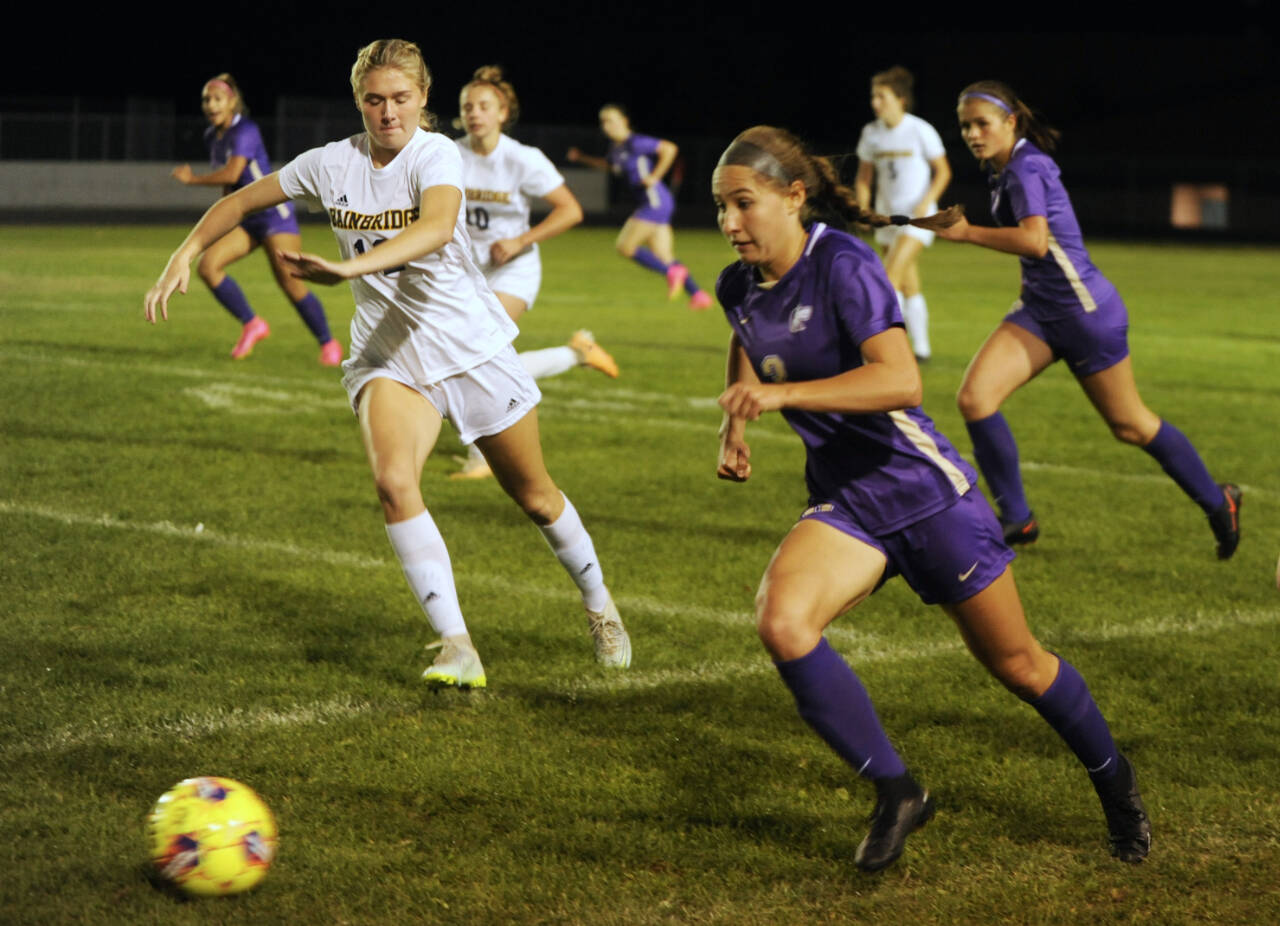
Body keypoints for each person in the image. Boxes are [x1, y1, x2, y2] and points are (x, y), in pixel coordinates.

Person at [712, 125, 1150, 872]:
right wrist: (734, 426)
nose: (728, 223)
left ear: (794, 196)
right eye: (720, 207)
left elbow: (899, 381)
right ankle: (897, 791)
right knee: (783, 623)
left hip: (924, 494)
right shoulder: (737, 284)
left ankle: (1117, 787)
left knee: (1019, 666)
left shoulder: (844, 264)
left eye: (743, 204)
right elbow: (748, 338)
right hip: (848, 504)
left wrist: (780, 395)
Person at [145, 39, 632, 683]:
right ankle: (458, 645)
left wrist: (349, 265)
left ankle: (600, 607)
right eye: (374, 100)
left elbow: (432, 229)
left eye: (401, 98)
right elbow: (238, 200)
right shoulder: (329, 163)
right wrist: (185, 251)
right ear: (359, 101)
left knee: (538, 498)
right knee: (394, 481)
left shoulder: (437, 154)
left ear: (424, 98)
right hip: (389, 357)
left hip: (472, 350)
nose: (388, 112)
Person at [935, 81, 1240, 557]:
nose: (973, 134)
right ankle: (1018, 519)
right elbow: (1041, 249)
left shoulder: (1024, 167)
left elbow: (1036, 241)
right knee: (976, 399)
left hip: (1085, 314)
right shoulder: (1009, 168)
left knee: (1131, 425)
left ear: (1010, 122)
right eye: (965, 127)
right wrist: (1026, 286)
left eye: (982, 124)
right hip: (1041, 310)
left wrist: (968, 232)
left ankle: (1218, 500)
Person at [451, 65, 620, 480]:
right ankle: (576, 353)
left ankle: (482, 458)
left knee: (477, 355)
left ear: (503, 112)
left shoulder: (522, 159)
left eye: (484, 106)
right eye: (467, 106)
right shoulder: (449, 153)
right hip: (466, 274)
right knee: (465, 361)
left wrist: (520, 241)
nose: (475, 113)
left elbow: (570, 210)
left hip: (514, 271)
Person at [170, 73, 342, 365]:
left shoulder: (245, 130)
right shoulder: (213, 136)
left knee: (290, 283)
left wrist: (192, 180)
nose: (211, 105)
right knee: (208, 266)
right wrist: (221, 220)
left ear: (232, 102)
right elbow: (230, 188)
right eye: (206, 99)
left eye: (217, 99)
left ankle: (328, 343)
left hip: (274, 216)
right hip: (248, 220)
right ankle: (252, 324)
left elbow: (233, 174)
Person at [567, 104, 712, 310]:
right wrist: (582, 158)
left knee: (625, 247)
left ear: (625, 121)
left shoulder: (636, 143)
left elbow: (670, 149)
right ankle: (698, 295)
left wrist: (655, 176)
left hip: (655, 202)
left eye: (611, 120)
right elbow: (608, 165)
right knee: (665, 257)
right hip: (655, 203)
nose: (607, 126)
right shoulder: (617, 150)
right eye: (603, 121)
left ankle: (672, 274)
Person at [854, 66, 951, 362]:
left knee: (889, 277)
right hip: (887, 218)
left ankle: (885, 349)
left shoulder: (920, 130)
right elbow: (863, 178)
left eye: (882, 96)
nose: (875, 102)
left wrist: (927, 201)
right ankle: (920, 349)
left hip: (918, 218)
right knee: (908, 283)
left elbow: (943, 171)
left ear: (901, 99)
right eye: (873, 96)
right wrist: (863, 208)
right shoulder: (871, 133)